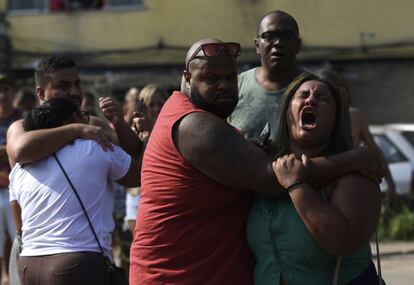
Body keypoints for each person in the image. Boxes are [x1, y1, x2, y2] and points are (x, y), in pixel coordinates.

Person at [129, 38, 383, 284]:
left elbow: (340, 240)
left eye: (230, 77)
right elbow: (273, 179)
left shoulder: (354, 179)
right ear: (187, 78)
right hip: (178, 277)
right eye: (210, 78)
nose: (224, 86)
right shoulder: (197, 126)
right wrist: (352, 158)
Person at [6, 54, 142, 285]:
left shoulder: (94, 125)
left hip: (34, 264)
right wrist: (76, 129)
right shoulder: (22, 126)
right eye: (63, 86)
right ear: (40, 93)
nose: (75, 92)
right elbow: (21, 149)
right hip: (68, 258)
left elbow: (133, 154)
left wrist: (119, 123)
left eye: (77, 84)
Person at [247, 73, 382, 285]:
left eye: (322, 98)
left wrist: (297, 185)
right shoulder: (264, 163)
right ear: (287, 112)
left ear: (335, 120)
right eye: (302, 95)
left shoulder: (356, 175)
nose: (311, 100)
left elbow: (341, 241)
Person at [316, 69, 397, 206]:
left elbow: (375, 151)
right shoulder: (315, 119)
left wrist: (391, 183)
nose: (343, 96)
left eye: (345, 91)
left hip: (351, 187)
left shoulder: (355, 117)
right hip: (321, 185)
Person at [229, 10, 303, 141]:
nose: (278, 43)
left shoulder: (315, 90)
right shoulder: (235, 86)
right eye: (269, 36)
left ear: (298, 45)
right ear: (257, 45)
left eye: (286, 36)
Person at [0, 73, 21, 284]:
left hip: (16, 186)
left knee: (17, 233)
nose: (2, 94)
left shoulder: (21, 118)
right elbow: (15, 149)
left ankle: (13, 273)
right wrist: (9, 149)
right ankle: (3, 275)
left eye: (6, 89)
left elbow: (23, 148)